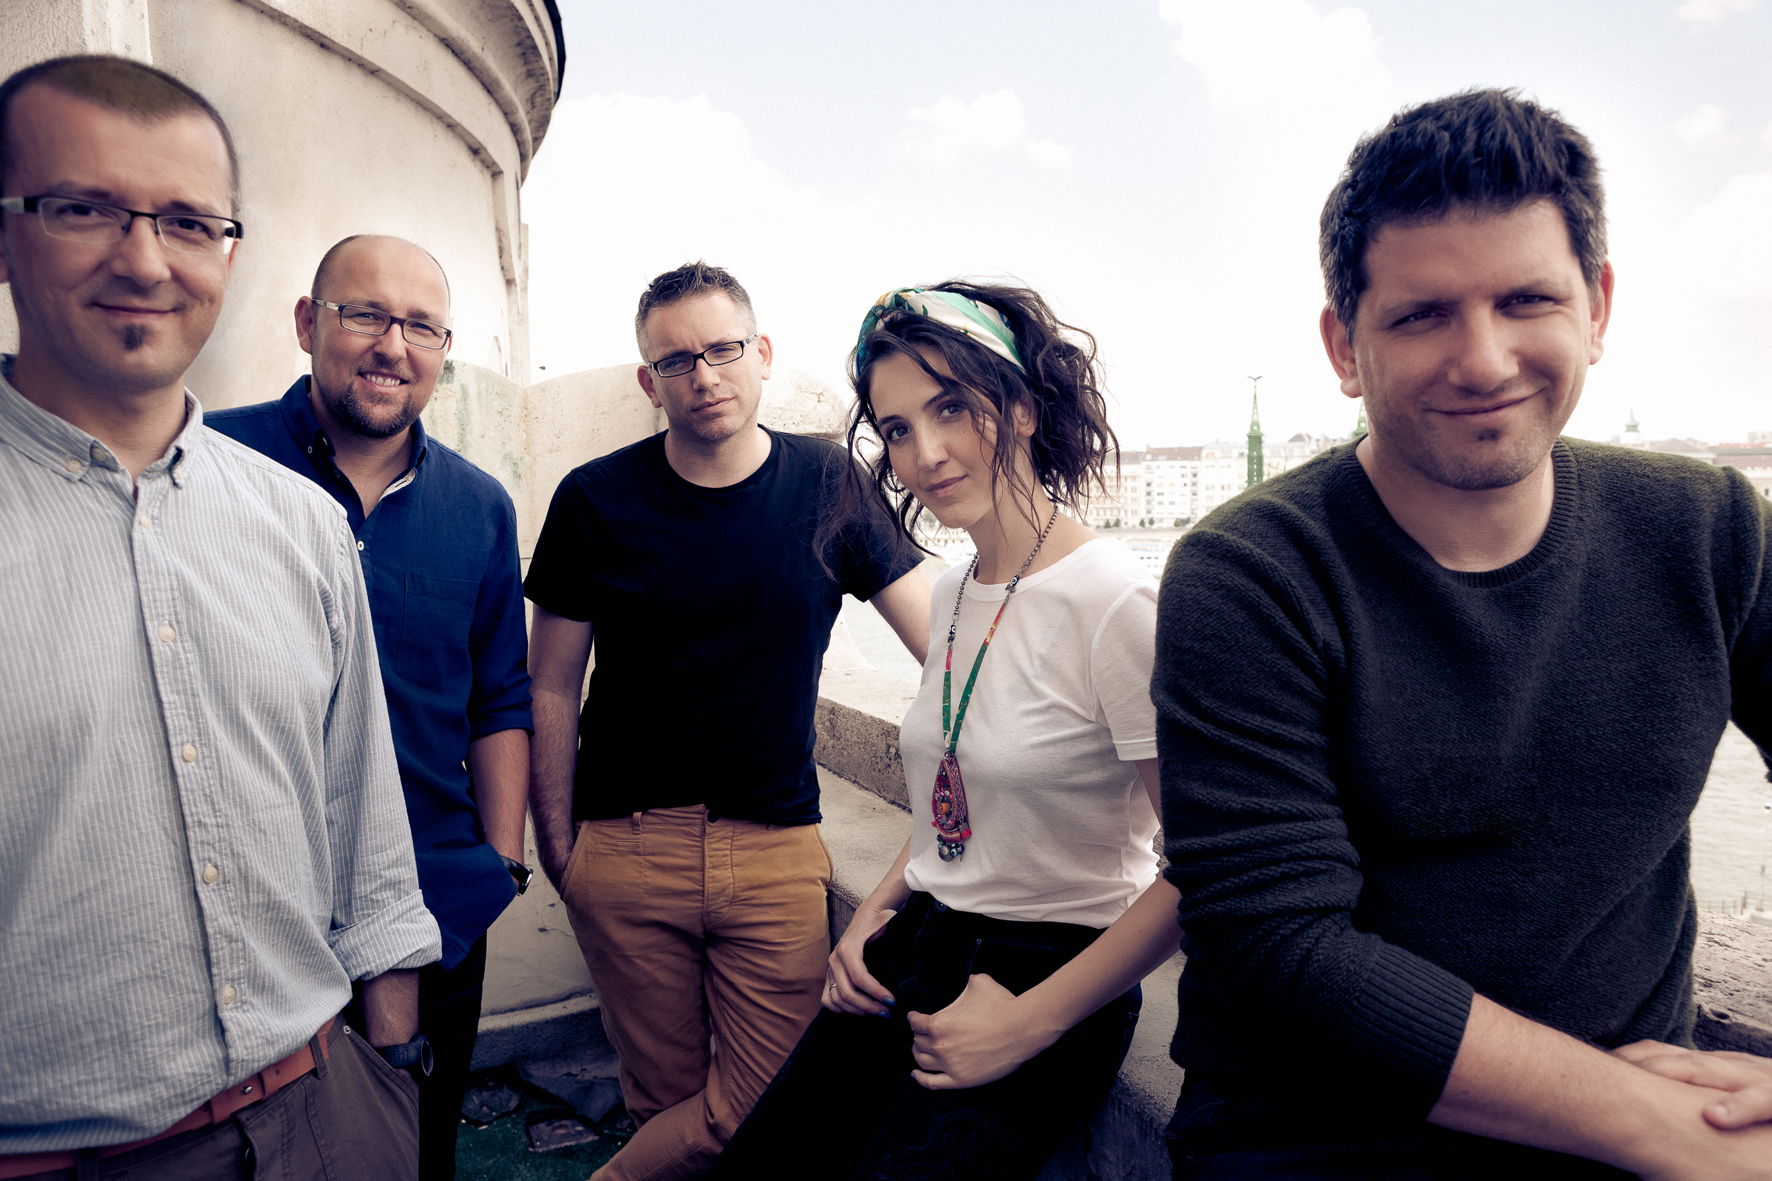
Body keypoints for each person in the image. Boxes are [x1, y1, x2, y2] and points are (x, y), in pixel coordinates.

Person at [1156, 88, 1772, 1178]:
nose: (1482, 360)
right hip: (1320, 1138)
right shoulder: (1248, 573)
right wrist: (1653, 1123)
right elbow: (1280, 945)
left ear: (1597, 306)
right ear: (1344, 346)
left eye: (1526, 299)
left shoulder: (1709, 528)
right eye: (1421, 315)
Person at [0, 55, 440, 1181]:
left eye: (189, 222)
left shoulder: (303, 524)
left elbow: (364, 824)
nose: (144, 259)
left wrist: (393, 1070)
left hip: (325, 1115)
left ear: (228, 256)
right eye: (84, 207)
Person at [711, 283, 1184, 1180]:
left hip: (1050, 965)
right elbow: (950, 798)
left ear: (1021, 407)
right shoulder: (954, 590)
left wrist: (1031, 1021)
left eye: (951, 408)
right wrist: (875, 913)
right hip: (923, 936)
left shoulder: (1113, 600)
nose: (924, 453)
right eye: (896, 428)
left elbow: (1201, 860)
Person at [524, 261, 932, 1181]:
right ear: (650, 380)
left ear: (762, 354)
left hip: (774, 848)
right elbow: (549, 684)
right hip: (625, 848)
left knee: (767, 1106)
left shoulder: (829, 482)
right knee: (662, 1102)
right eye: (676, 360)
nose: (703, 375)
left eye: (722, 349)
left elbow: (943, 649)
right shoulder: (594, 498)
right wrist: (560, 848)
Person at [207, 234, 534, 1180]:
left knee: (417, 1155)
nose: (394, 345)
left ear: (443, 350)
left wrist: (500, 862)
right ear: (307, 323)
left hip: (436, 908)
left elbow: (501, 696)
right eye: (366, 315)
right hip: (256, 916)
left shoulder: (479, 506)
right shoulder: (211, 463)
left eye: (421, 326)